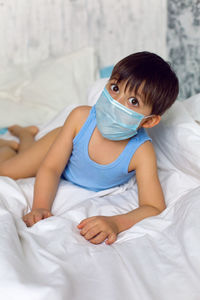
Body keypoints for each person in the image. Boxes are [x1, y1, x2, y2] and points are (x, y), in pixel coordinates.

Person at [0, 52, 179, 245]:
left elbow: (153, 206)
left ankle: (25, 136)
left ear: (150, 120)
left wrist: (116, 223)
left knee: (27, 157)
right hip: (59, 142)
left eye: (133, 101)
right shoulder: (79, 118)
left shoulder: (141, 152)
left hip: (72, 151)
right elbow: (51, 167)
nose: (115, 102)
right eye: (115, 88)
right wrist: (40, 207)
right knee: (6, 170)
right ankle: (15, 141)